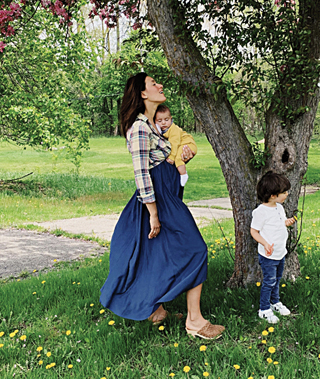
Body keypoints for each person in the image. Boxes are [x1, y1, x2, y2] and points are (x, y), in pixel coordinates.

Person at [99, 72, 225, 340]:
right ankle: (195, 321)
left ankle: (156, 310)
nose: (160, 85)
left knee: (156, 255)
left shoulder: (158, 125)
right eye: (153, 84)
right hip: (157, 202)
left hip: (168, 196)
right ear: (143, 93)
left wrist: (183, 158)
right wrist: (153, 213)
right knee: (195, 248)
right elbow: (142, 173)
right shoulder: (140, 128)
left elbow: (164, 161)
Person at [250, 171, 297, 324]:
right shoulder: (260, 212)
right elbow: (254, 231)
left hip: (280, 252)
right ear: (272, 195)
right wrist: (264, 243)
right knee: (269, 281)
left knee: (276, 279)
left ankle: (275, 302)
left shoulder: (279, 207)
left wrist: (287, 222)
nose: (287, 194)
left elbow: (279, 223)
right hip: (268, 255)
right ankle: (264, 309)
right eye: (284, 192)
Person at [154, 104, 197, 199]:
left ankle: (183, 175)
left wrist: (171, 157)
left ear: (171, 119)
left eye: (166, 120)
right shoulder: (164, 130)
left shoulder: (173, 129)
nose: (164, 123)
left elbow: (174, 143)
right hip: (183, 144)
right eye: (159, 121)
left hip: (188, 144)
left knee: (178, 158)